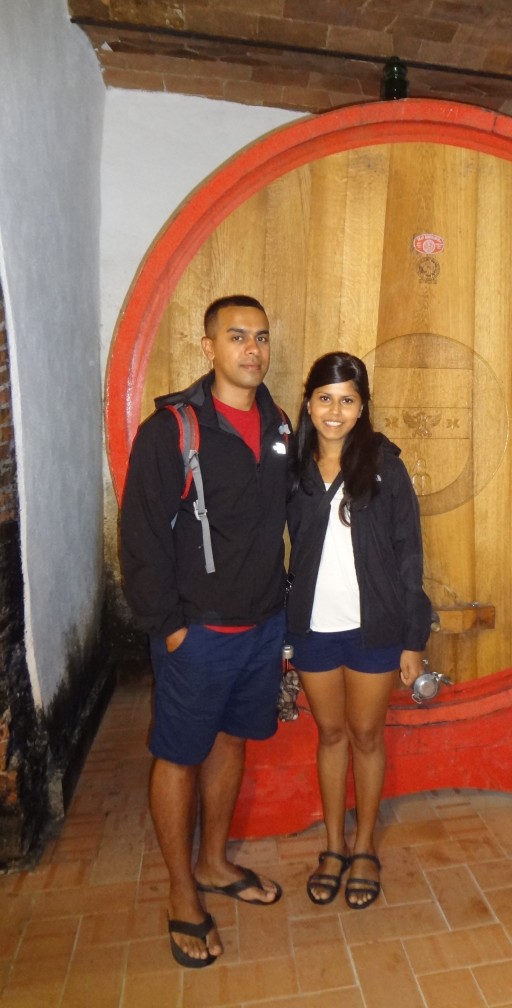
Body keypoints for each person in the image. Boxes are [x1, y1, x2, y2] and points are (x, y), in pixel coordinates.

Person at [120, 295, 291, 968]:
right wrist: (168, 628)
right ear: (208, 347)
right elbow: (139, 537)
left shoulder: (279, 426)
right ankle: (180, 891)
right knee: (179, 753)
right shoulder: (172, 430)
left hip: (260, 624)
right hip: (198, 632)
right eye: (238, 337)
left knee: (230, 740)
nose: (253, 349)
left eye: (262, 338)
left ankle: (215, 862)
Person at [285, 352, 432, 910]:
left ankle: (366, 845)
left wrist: (413, 638)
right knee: (330, 735)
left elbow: (408, 553)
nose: (335, 410)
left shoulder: (385, 468)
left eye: (347, 400)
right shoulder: (293, 468)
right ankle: (333, 845)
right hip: (315, 629)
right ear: (308, 401)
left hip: (376, 628)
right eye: (325, 398)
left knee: (368, 736)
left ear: (362, 407)